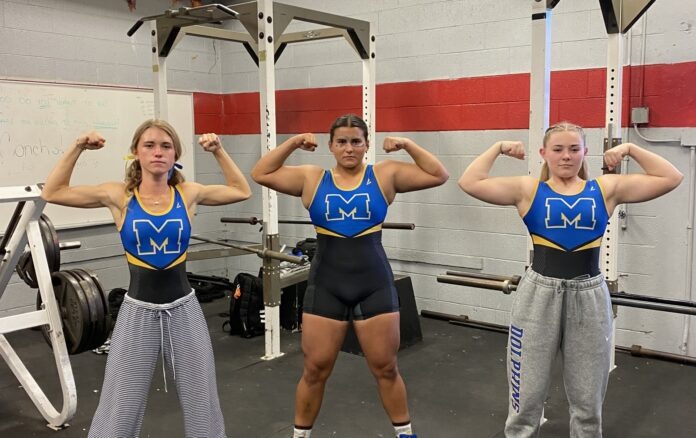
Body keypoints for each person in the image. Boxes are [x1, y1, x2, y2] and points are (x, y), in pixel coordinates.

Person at [458, 121, 683, 437]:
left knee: (588, 400)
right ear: (544, 153)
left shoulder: (605, 189)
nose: (566, 156)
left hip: (588, 295)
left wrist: (630, 148)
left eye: (574, 149)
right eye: (558, 149)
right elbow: (469, 181)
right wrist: (498, 147)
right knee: (526, 397)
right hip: (538, 295)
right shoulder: (528, 190)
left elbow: (672, 177)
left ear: (585, 153)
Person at [41, 119, 251, 438]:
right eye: (149, 145)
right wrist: (78, 146)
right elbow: (53, 192)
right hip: (137, 312)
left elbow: (241, 190)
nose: (157, 152)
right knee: (121, 402)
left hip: (185, 310)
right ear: (136, 153)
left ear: (175, 154)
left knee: (201, 399)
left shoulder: (187, 193)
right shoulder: (119, 196)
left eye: (165, 146)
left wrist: (219, 151)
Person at [251, 114, 449, 438]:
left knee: (386, 368)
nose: (349, 148)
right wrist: (293, 142)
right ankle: (300, 435)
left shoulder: (384, 175)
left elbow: (438, 174)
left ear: (366, 145)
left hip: (374, 284)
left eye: (356, 141)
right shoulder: (312, 178)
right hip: (327, 285)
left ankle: (405, 434)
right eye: (341, 141)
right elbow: (261, 172)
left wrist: (407, 144)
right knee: (314, 370)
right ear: (330, 145)